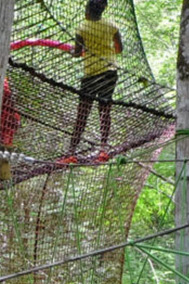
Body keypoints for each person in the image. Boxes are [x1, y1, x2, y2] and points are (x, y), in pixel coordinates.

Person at [63, 0, 123, 163]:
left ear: (88, 11)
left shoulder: (82, 28)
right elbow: (119, 49)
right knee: (104, 110)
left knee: (83, 113)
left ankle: (71, 152)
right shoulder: (112, 25)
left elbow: (77, 52)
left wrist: (72, 52)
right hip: (109, 72)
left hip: (91, 74)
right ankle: (103, 148)